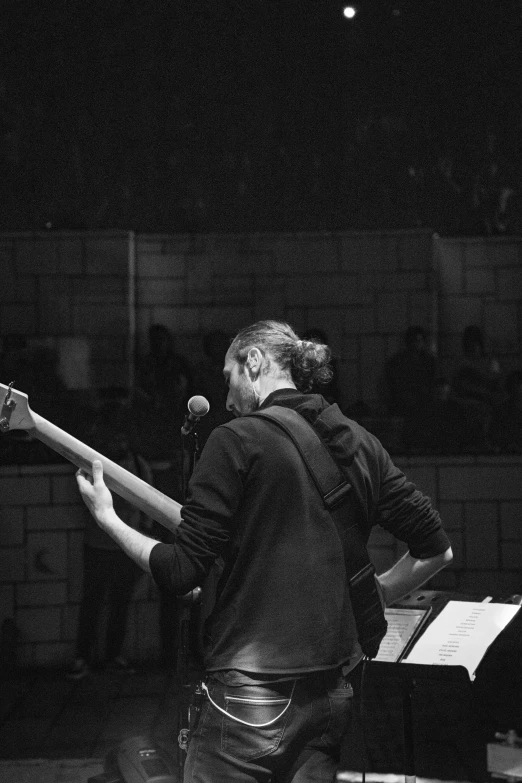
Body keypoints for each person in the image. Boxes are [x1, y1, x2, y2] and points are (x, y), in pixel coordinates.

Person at [75, 320, 452, 782]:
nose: (229, 398)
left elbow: (178, 572)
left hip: (252, 699)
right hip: (334, 693)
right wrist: (376, 595)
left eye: (229, 377)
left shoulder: (236, 440)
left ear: (254, 362)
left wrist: (108, 519)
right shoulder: (359, 441)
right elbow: (437, 550)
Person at [67, 396, 155, 680]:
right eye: (114, 433)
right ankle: (83, 658)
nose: (119, 439)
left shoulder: (139, 465)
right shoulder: (93, 465)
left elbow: (148, 504)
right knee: (92, 602)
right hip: (98, 545)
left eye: (122, 434)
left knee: (120, 603)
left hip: (125, 547)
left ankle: (113, 656)